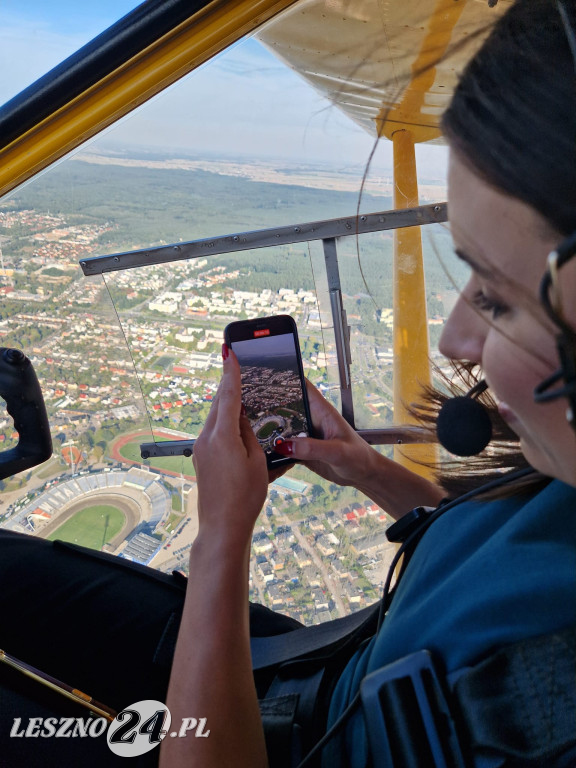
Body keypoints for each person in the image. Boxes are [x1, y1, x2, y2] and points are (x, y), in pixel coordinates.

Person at [160, 1, 576, 767]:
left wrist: (221, 534)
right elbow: (495, 571)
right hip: (315, 675)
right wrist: (364, 468)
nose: (457, 340)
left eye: (496, 294)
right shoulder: (564, 471)